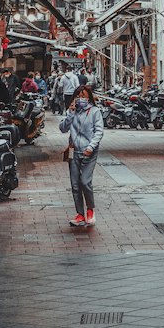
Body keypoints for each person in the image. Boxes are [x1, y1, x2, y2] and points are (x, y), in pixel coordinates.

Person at [59, 84, 104, 231]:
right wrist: (71, 113)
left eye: (83, 96)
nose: (80, 99)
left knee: (85, 181)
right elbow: (62, 128)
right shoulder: (72, 112)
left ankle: (90, 209)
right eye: (78, 96)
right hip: (74, 152)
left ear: (89, 97)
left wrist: (91, 148)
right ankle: (80, 214)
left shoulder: (95, 112)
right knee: (75, 185)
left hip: (89, 152)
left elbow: (99, 131)